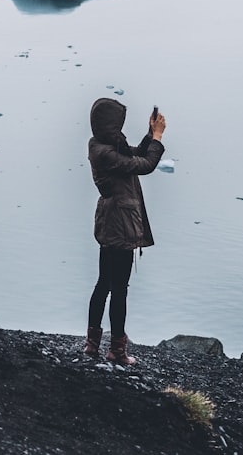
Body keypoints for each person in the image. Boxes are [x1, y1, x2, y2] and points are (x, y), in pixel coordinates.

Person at [83, 97, 166, 365]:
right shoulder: (105, 152)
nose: (120, 127)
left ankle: (92, 344)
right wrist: (158, 138)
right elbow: (144, 165)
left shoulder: (102, 145)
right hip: (121, 224)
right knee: (118, 288)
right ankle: (117, 350)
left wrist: (148, 135)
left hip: (110, 222)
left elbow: (134, 155)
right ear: (110, 123)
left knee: (103, 284)